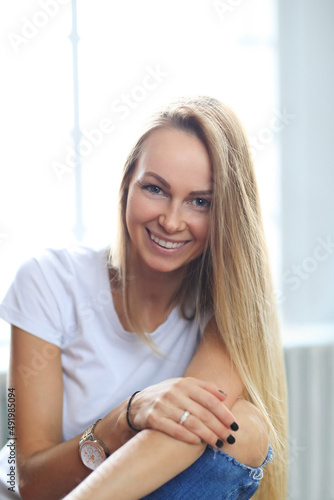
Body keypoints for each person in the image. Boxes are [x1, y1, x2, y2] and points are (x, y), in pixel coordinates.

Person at [0, 96, 287, 500]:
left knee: (243, 429)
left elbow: (196, 426)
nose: (171, 221)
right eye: (155, 189)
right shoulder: (46, 281)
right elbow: (26, 478)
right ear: (126, 188)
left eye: (200, 201)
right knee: (237, 426)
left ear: (226, 213)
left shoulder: (225, 310)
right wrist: (125, 417)